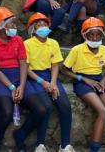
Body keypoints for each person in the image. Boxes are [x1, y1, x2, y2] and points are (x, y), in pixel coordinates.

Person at [0, 7, 47, 152]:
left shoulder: (18, 40)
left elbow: (23, 64)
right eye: (11, 24)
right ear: (0, 27)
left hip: (19, 77)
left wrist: (22, 86)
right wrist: (12, 87)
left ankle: (21, 135)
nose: (14, 27)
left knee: (41, 109)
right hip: (0, 79)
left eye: (14, 24)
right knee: (6, 111)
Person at [61, 17, 105, 152]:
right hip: (82, 82)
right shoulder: (77, 50)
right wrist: (84, 79)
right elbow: (63, 69)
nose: (94, 38)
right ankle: (94, 149)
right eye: (91, 35)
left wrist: (104, 81)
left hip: (99, 82)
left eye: (98, 35)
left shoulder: (104, 50)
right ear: (84, 35)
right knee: (103, 112)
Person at [24, 13, 75, 152]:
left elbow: (55, 66)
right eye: (39, 25)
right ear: (33, 29)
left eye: (45, 24)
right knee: (45, 106)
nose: (42, 27)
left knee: (64, 105)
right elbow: (26, 69)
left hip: (50, 76)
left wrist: (52, 83)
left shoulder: (53, 43)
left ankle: (65, 145)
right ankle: (40, 144)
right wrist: (43, 83)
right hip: (34, 78)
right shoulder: (27, 44)